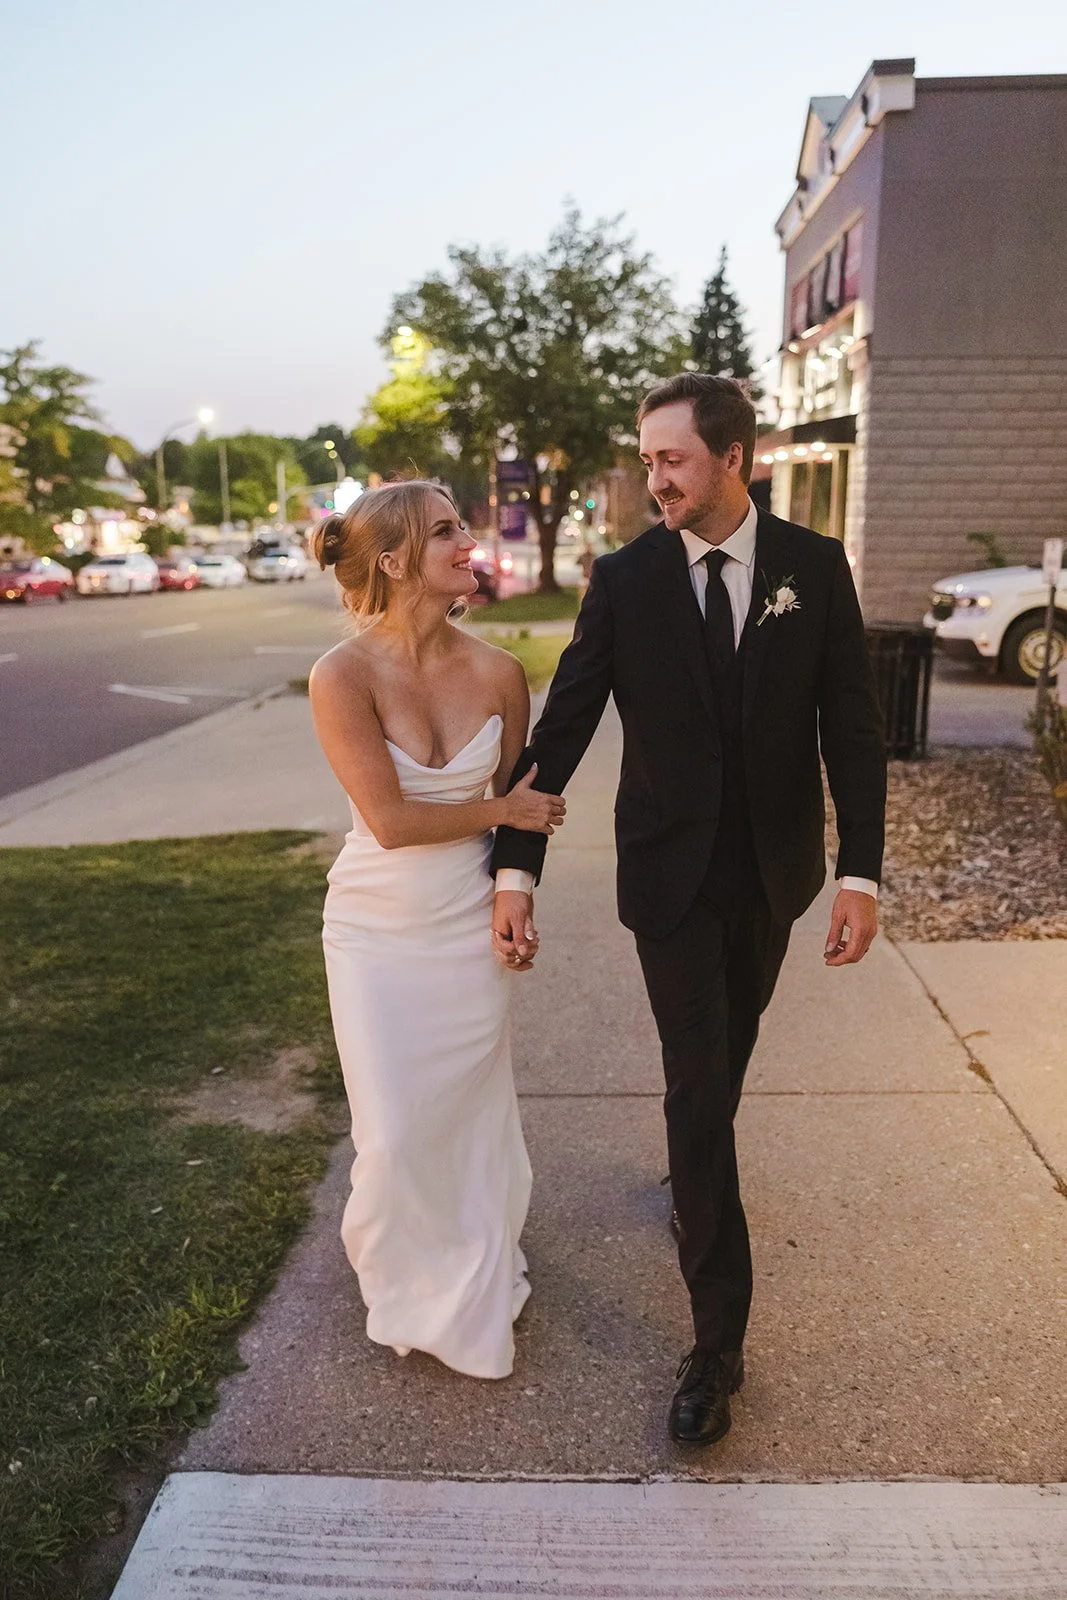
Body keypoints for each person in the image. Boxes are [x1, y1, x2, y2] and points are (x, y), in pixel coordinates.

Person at [490, 374, 887, 1444]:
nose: (652, 479)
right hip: (665, 878)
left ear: (733, 459)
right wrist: (513, 866)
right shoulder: (624, 581)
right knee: (696, 1080)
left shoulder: (810, 567)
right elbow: (563, 725)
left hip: (772, 874)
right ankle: (715, 1343)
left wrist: (860, 872)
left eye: (670, 460)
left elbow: (850, 727)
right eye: (648, 458)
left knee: (728, 1053)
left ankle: (692, 1168)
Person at [307, 480, 566, 1380]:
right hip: (375, 927)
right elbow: (390, 821)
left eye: (464, 526)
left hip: (464, 922)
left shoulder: (499, 673)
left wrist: (512, 892)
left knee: (463, 1114)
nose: (469, 542)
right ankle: (402, 1279)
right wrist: (508, 806)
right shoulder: (340, 676)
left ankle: (472, 1262)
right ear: (391, 560)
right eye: (446, 531)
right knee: (392, 1130)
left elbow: (510, 829)